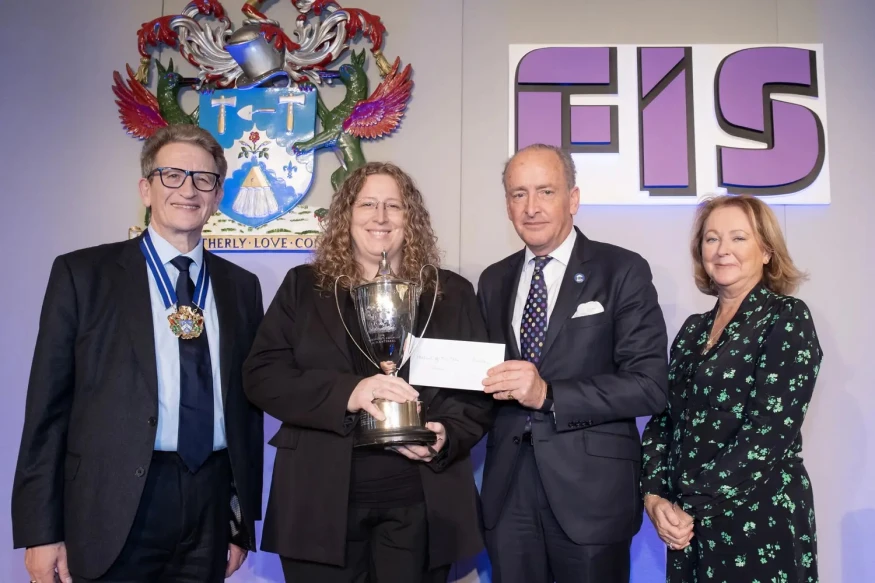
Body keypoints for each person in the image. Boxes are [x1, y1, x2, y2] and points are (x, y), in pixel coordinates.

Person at [11, 124, 265, 583]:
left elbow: (245, 413)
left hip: (208, 507)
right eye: (172, 175)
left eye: (203, 179)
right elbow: (47, 411)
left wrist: (238, 519)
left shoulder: (241, 288)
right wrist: (41, 531)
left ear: (218, 195)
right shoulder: (83, 274)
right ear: (146, 189)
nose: (188, 190)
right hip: (111, 506)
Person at [243, 162, 494, 583]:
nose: (380, 216)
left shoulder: (450, 293)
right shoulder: (303, 287)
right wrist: (349, 392)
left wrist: (447, 435)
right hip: (317, 505)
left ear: (411, 218)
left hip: (421, 506)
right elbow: (262, 376)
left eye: (394, 205)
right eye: (367, 204)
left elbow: (477, 393)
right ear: (346, 214)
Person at [477, 143, 669, 583]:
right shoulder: (493, 280)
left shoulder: (622, 270)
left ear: (573, 199)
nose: (531, 207)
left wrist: (549, 395)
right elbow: (482, 380)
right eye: (519, 194)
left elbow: (650, 385)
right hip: (508, 493)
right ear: (507, 205)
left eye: (545, 191)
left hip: (591, 493)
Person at [641, 194, 822, 582]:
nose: (723, 250)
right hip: (686, 528)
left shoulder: (786, 317)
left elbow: (768, 432)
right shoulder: (692, 330)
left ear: (767, 251)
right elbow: (664, 418)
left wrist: (690, 502)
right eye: (712, 239)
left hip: (758, 517)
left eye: (738, 238)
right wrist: (654, 498)